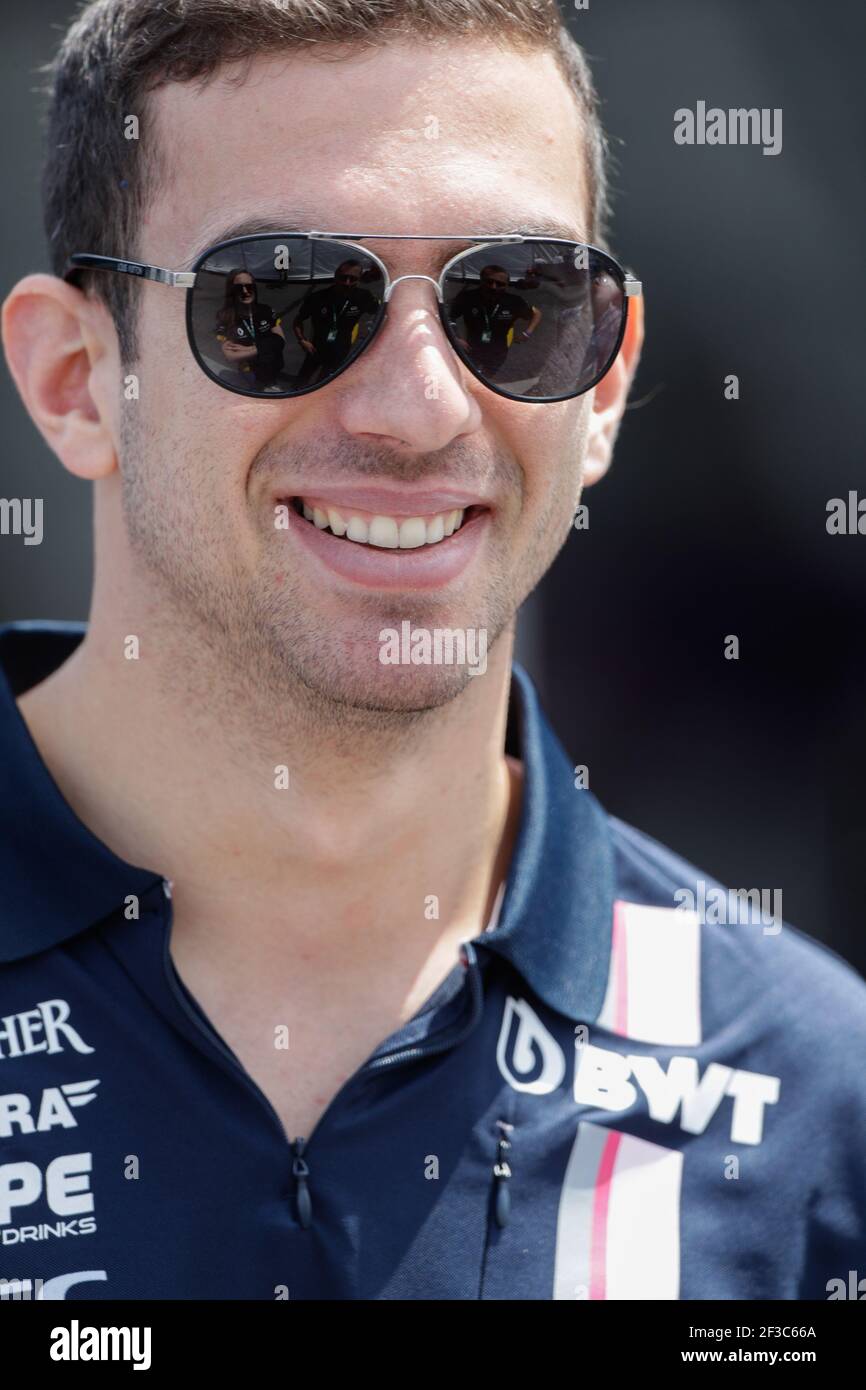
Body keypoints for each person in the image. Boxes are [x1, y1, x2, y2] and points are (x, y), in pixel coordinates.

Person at [0, 0, 863, 1303]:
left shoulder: (815, 1110)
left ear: (606, 388)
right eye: (285, 300)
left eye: (514, 305)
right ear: (74, 378)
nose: (417, 408)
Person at [292, 259, 380, 386]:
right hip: (317, 346)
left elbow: (380, 313)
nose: (347, 283)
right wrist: (302, 340)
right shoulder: (317, 298)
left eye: (353, 279)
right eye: (343, 278)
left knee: (325, 383)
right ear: (335, 276)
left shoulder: (364, 297)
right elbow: (298, 320)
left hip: (341, 347)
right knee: (301, 380)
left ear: (359, 279)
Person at [447, 264, 541, 378]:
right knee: (467, 378)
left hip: (498, 351)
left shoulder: (514, 302)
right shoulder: (468, 297)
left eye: (500, 284)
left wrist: (527, 333)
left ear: (506, 285)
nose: (493, 287)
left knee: (487, 379)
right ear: (481, 280)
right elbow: (449, 317)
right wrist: (456, 338)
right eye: (489, 281)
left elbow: (537, 313)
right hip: (471, 349)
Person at [215, 269, 286, 390]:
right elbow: (230, 356)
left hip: (271, 367)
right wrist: (265, 347)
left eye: (249, 286)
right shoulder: (225, 317)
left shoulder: (266, 310)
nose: (245, 291)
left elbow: (281, 341)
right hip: (250, 372)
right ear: (232, 291)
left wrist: (249, 349)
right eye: (239, 288)